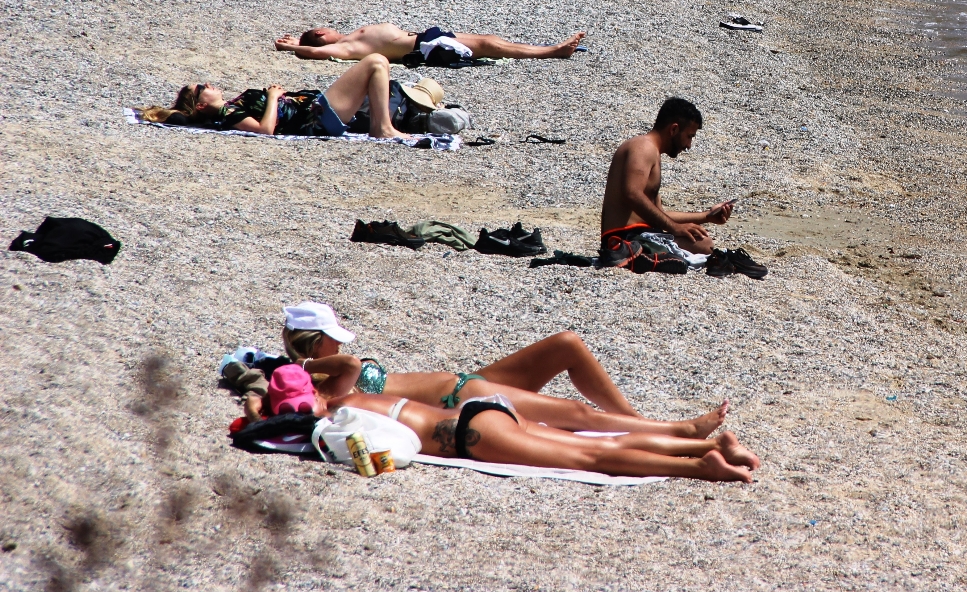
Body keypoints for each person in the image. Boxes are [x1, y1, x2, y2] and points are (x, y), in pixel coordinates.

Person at [240, 301, 731, 435]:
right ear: (316, 341)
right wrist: (301, 361)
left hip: (468, 380)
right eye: (333, 331)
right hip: (460, 399)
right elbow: (347, 361)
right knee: (575, 413)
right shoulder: (324, 373)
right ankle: (674, 430)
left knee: (567, 344)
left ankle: (640, 422)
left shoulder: (313, 375)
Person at [336, 392, 760, 483]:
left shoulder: (339, 417)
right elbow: (348, 365)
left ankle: (700, 467)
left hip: (473, 433)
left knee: (596, 458)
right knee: (599, 443)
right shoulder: (357, 393)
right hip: (485, 408)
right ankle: (707, 445)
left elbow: (381, 459)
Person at [598, 98, 767, 279]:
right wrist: (674, 228)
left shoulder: (651, 152)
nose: (688, 145)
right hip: (623, 237)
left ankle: (647, 257)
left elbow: (658, 213)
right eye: (689, 136)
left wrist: (706, 216)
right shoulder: (643, 147)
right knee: (705, 246)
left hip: (640, 233)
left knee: (702, 242)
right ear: (674, 129)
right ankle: (634, 254)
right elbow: (631, 193)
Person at [139, 52, 403, 138]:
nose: (208, 84)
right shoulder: (228, 114)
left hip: (317, 110)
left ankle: (382, 125)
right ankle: (383, 128)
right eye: (201, 88)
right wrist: (274, 98)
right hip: (317, 118)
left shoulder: (230, 107)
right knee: (376, 62)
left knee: (377, 65)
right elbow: (264, 130)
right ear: (199, 105)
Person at [276, 23, 585, 64]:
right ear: (319, 34)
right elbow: (316, 53)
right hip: (422, 47)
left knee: (490, 41)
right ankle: (553, 52)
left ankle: (550, 49)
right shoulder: (344, 48)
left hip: (424, 38)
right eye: (321, 28)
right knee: (491, 45)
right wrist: (292, 48)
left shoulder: (350, 38)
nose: (327, 28)